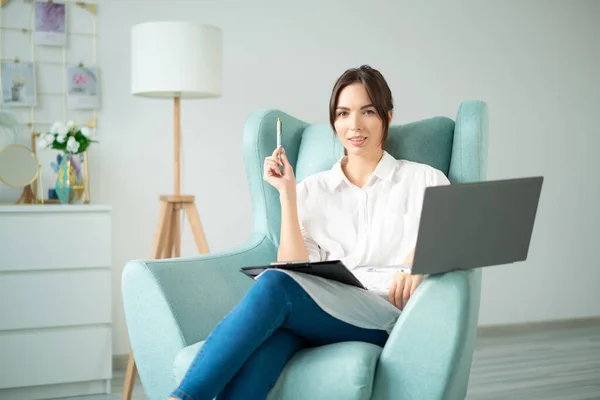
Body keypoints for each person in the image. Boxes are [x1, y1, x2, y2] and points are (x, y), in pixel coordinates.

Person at [169, 65, 450, 400]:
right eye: (343, 113)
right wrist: (287, 194)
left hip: (380, 315)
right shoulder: (312, 189)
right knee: (270, 342)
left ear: (387, 117)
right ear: (333, 121)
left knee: (274, 283)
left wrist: (418, 259)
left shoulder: (424, 180)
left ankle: (183, 398)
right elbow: (294, 268)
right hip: (318, 310)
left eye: (368, 112)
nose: (354, 125)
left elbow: (455, 236)